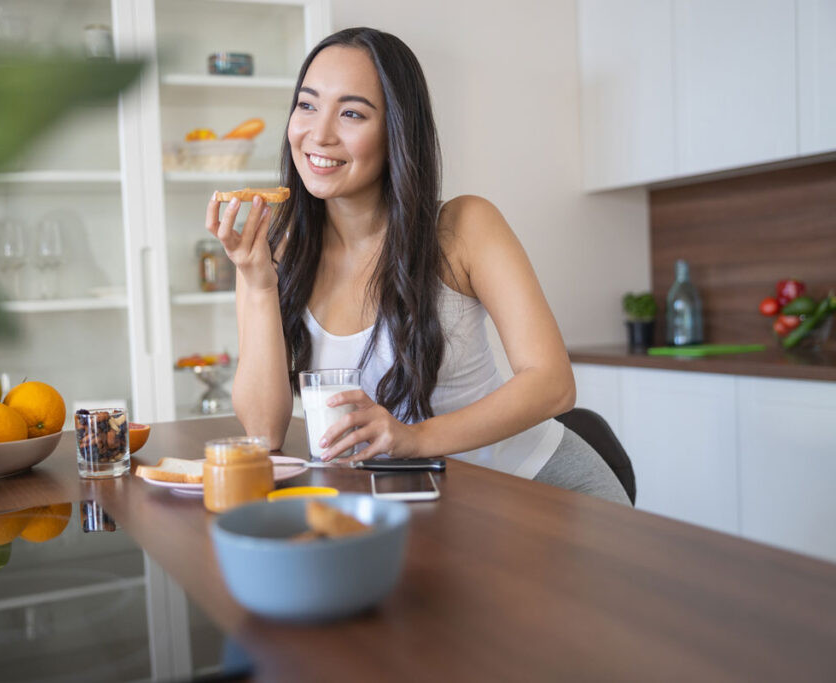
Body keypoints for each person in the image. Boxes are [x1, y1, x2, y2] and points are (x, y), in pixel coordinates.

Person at [204, 27, 630, 505]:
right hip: (426, 505)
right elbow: (263, 432)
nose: (318, 134)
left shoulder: (464, 226)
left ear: (397, 130)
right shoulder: (275, 248)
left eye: (351, 113)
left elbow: (553, 383)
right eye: (307, 105)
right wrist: (258, 285)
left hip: (539, 487)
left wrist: (413, 440)